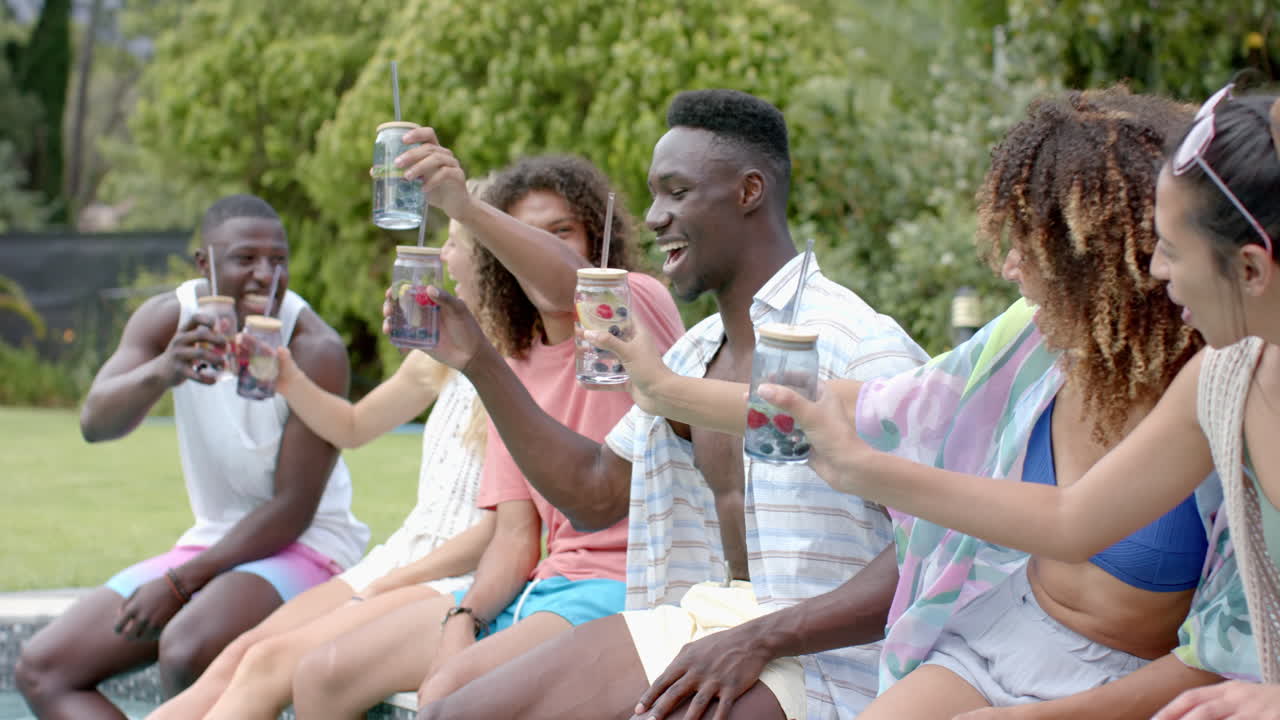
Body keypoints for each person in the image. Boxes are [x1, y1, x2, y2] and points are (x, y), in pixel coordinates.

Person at [602, 88, 1262, 719]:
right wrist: (662, 389)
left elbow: (1221, 644)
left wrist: (1045, 717)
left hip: (1141, 682)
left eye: (1028, 246)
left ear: (1098, 260)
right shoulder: (1032, 344)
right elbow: (868, 406)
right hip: (1003, 638)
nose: (1008, 267)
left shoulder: (1223, 384)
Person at [413, 88, 927, 720]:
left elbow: (929, 545)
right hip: (708, 619)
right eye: (654, 195)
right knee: (451, 713)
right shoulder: (694, 353)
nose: (655, 217)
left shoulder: (861, 346)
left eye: (677, 192)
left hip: (832, 655)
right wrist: (479, 362)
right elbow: (593, 493)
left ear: (749, 191)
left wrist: (761, 638)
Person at [287, 154, 686, 720]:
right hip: (547, 585)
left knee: (448, 694)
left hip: (630, 586)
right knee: (322, 674)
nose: (542, 249)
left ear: (596, 240)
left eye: (562, 232)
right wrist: (465, 616)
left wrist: (467, 208)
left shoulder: (630, 302)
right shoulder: (513, 363)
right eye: (522, 235)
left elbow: (568, 283)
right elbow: (515, 535)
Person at [145, 180, 498, 720]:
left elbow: (506, 532)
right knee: (243, 652)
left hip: (453, 576)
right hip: (404, 554)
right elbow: (353, 427)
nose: (443, 255)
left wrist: (395, 580)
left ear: (489, 258)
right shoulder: (438, 356)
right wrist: (287, 377)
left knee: (270, 663)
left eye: (455, 242)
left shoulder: (524, 368)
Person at [15, 194, 370, 720]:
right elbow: (95, 423)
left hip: (308, 547)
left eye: (278, 260)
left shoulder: (313, 347)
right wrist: (164, 370)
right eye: (246, 259)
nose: (266, 274)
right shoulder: (168, 320)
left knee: (186, 648)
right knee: (43, 670)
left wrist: (180, 582)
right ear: (205, 263)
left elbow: (294, 508)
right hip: (213, 542)